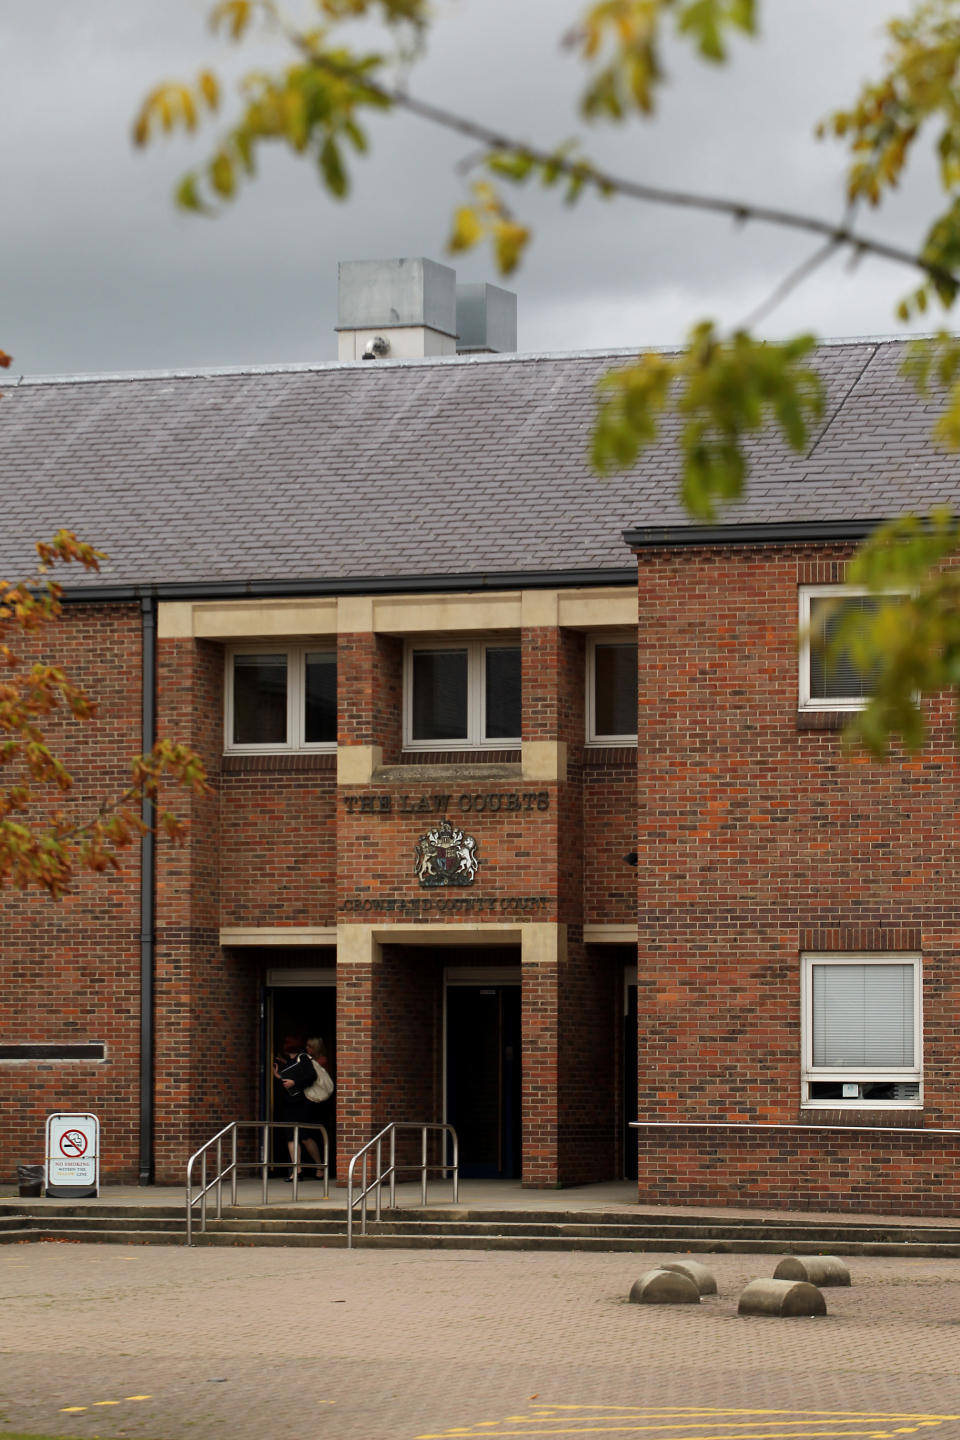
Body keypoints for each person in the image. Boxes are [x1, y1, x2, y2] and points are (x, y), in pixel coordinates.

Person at [272, 1034, 324, 1181]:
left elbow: (311, 1076)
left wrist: (295, 1083)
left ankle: (320, 1167)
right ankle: (297, 1170)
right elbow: (288, 1079)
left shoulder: (304, 1058)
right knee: (291, 1136)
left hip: (302, 1103)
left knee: (305, 1137)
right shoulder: (289, 1061)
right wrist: (278, 1076)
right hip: (290, 1103)